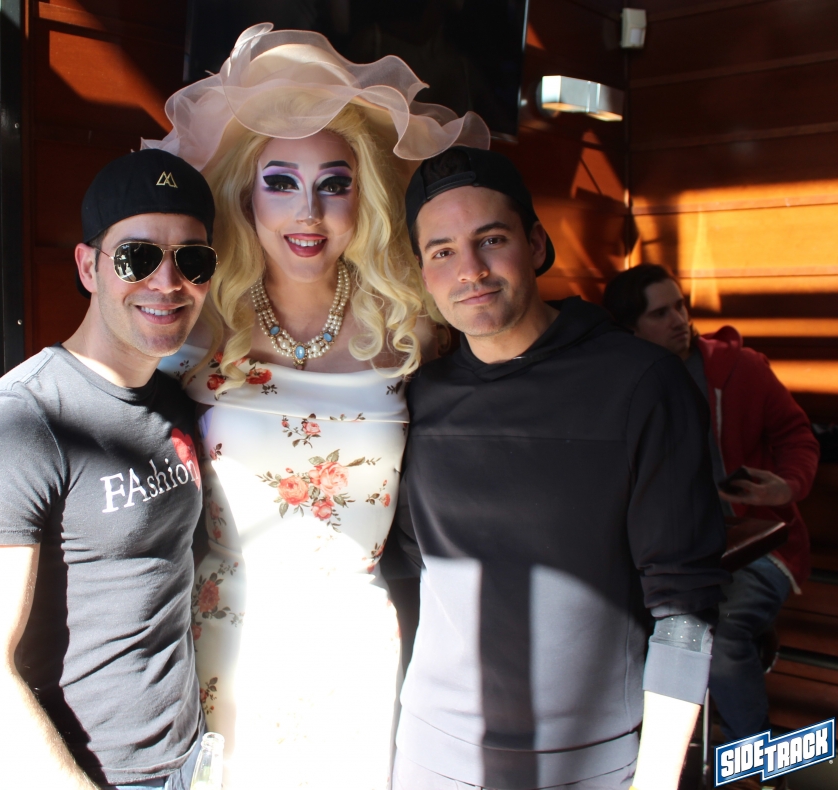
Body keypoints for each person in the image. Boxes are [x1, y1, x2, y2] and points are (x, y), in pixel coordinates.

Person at [141, 23, 490, 790]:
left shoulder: (409, 326)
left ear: (363, 196)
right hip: (227, 638)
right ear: (245, 192)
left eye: (334, 184)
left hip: (355, 643)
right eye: (281, 182)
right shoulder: (196, 327)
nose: (308, 212)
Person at [385, 146, 729, 790]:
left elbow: (684, 607)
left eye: (492, 240)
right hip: (431, 753)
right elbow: (405, 567)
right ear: (423, 272)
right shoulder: (417, 397)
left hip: (590, 762)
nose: (471, 270)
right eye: (443, 251)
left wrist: (656, 779)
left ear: (537, 244)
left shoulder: (641, 383)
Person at [0, 149, 219, 790]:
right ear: (88, 266)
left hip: (186, 761)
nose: (168, 281)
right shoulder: (13, 425)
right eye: (137, 256)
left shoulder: (174, 400)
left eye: (192, 259)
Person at [603, 265, 820, 764]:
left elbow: (797, 436)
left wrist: (787, 485)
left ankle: (754, 765)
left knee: (717, 638)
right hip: (669, 550)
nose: (679, 320)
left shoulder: (740, 367)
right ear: (631, 328)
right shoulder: (621, 382)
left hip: (760, 546)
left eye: (680, 306)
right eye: (661, 313)